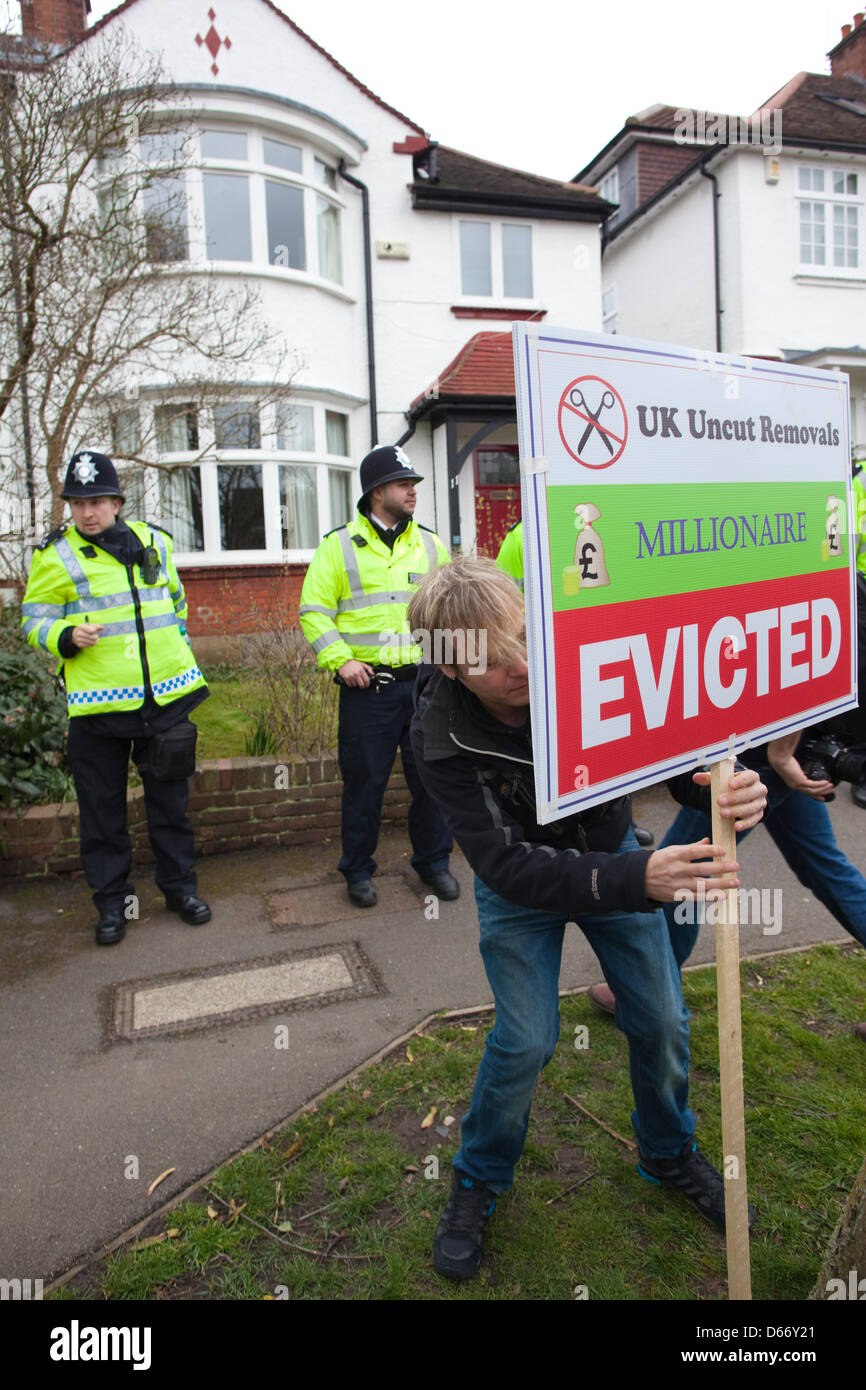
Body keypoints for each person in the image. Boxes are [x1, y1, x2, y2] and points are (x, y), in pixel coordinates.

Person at [407, 556, 767, 1281]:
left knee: (663, 1021)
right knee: (526, 1040)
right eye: (492, 659)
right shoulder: (439, 737)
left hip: (613, 857)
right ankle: (478, 1177)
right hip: (525, 893)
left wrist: (720, 791)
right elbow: (505, 867)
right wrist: (637, 875)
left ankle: (668, 1152)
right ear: (450, 668)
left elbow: (665, 755)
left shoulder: (583, 663)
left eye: (522, 638)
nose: (520, 665)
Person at [21, 450, 211, 947]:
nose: (89, 512)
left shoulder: (154, 542)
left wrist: (178, 650)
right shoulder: (54, 556)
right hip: (99, 708)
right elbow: (34, 620)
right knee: (103, 814)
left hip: (164, 700)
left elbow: (175, 603)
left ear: (117, 501)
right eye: (79, 502)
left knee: (170, 806)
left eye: (99, 500)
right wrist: (64, 635)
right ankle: (114, 906)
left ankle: (180, 891)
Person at [299, 444, 457, 910]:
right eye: (403, 483)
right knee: (364, 784)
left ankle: (434, 863)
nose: (412, 491)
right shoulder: (338, 546)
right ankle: (357, 869)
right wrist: (341, 661)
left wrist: (454, 664)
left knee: (433, 780)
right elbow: (314, 611)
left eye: (413, 484)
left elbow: (450, 609)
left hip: (426, 685)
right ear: (376, 491)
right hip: (368, 690)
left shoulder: (430, 544)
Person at [495, 517, 654, 848]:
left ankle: (621, 816)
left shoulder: (603, 525)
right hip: (542, 658)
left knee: (609, 737)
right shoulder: (522, 535)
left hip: (593, 648)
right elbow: (499, 608)